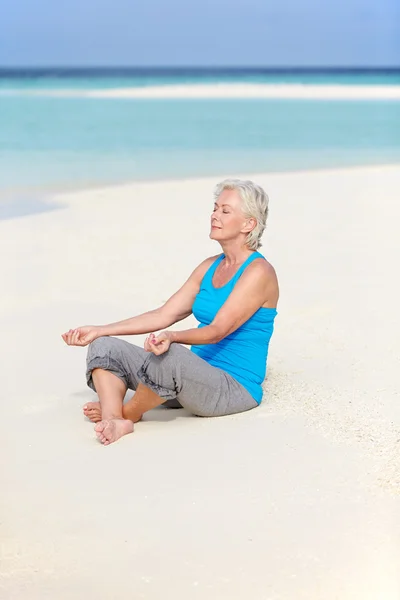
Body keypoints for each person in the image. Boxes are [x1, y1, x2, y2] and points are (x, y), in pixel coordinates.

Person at [62, 179, 279, 445]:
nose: (214, 215)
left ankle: (128, 413)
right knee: (104, 347)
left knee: (171, 355)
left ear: (249, 224)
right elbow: (165, 314)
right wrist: (100, 329)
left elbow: (217, 331)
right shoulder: (209, 266)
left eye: (225, 210)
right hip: (189, 381)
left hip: (231, 388)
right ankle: (112, 418)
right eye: (214, 207)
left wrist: (173, 337)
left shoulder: (259, 272)